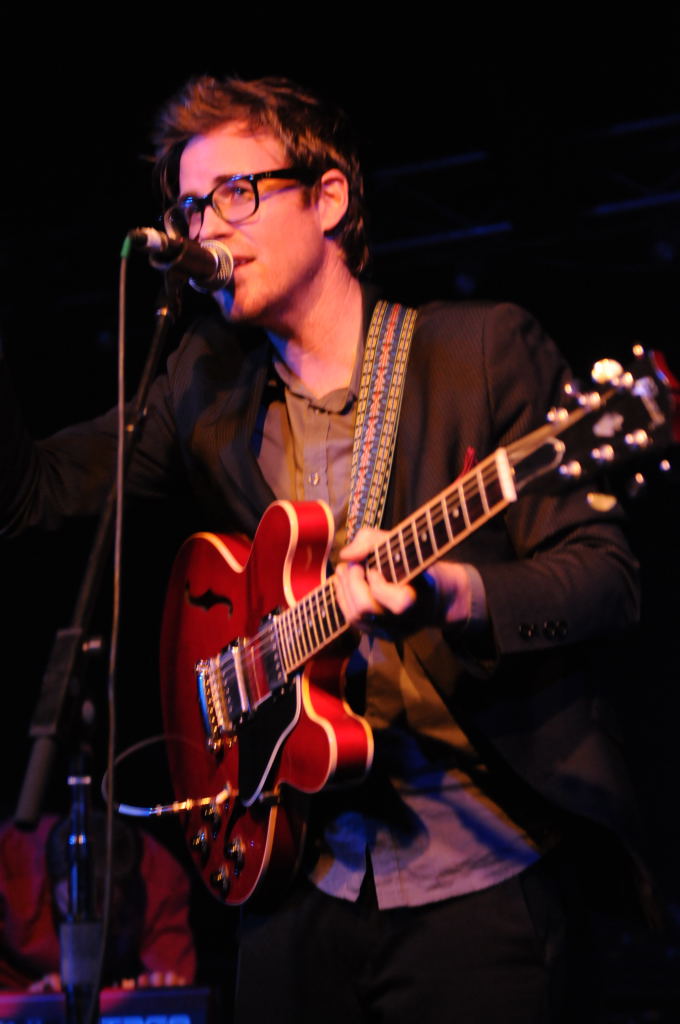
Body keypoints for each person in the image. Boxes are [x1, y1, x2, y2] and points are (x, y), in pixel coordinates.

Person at [0, 76, 648, 1021]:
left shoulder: (478, 353)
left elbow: (607, 579)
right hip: (294, 877)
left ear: (329, 197)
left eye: (236, 193)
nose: (206, 231)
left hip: (477, 876)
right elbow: (32, 498)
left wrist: (456, 593)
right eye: (189, 209)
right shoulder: (202, 389)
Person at [0, 813, 196, 991]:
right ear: (52, 883)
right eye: (76, 897)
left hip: (119, 996)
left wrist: (160, 990)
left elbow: (172, 981)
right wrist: (29, 1003)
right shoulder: (10, 859)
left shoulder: (161, 879)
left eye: (102, 898)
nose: (90, 912)